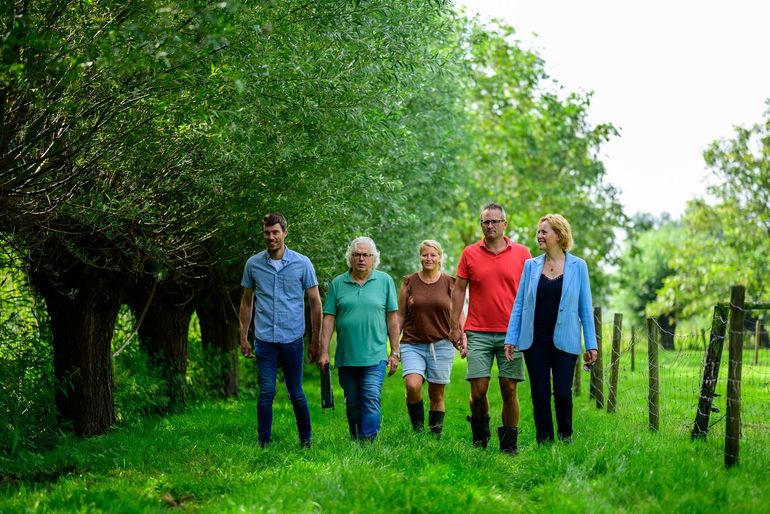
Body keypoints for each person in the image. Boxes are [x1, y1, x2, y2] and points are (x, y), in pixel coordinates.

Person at [504, 214, 598, 444]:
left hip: (566, 339)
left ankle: (566, 435)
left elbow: (585, 308)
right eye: (538, 232)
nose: (539, 235)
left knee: (563, 394)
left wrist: (592, 344)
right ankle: (544, 441)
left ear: (559, 235)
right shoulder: (530, 266)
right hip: (534, 340)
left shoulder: (579, 266)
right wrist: (511, 339)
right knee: (540, 394)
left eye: (544, 231)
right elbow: (519, 305)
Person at [449, 203, 531, 454]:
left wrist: (529, 327)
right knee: (479, 389)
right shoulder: (470, 253)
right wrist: (455, 327)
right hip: (477, 331)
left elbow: (530, 292)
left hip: (512, 333)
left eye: (495, 221)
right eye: (486, 222)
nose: (490, 225)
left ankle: (509, 445)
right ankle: (480, 437)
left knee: (509, 386)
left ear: (505, 224)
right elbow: (459, 290)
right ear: (481, 224)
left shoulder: (523, 253)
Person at [239, 212, 322, 448]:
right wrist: (243, 335)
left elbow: (315, 302)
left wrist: (315, 340)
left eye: (275, 232)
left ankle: (306, 440)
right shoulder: (253, 264)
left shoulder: (302, 263)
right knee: (266, 391)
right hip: (264, 339)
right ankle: (263, 443)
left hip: (292, 339)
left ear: (285, 233)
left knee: (296, 393)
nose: (271, 237)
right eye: (267, 232)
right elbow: (247, 300)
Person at [318, 237, 400, 441]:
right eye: (357, 255)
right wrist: (324, 351)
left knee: (371, 397)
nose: (361, 259)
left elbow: (392, 318)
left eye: (366, 255)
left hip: (375, 356)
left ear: (374, 259)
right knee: (353, 402)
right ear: (350, 258)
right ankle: (356, 438)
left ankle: (368, 441)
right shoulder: (338, 283)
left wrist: (395, 352)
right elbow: (328, 319)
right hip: (347, 357)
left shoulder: (385, 281)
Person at [397, 240, 465, 437]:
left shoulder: (450, 282)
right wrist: (394, 345)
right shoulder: (408, 282)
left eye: (433, 255)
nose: (428, 258)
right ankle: (418, 433)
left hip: (442, 344)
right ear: (420, 257)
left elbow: (458, 311)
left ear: (440, 258)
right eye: (425, 254)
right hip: (412, 343)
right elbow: (400, 314)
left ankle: (434, 437)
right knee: (412, 386)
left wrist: (462, 333)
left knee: (437, 394)